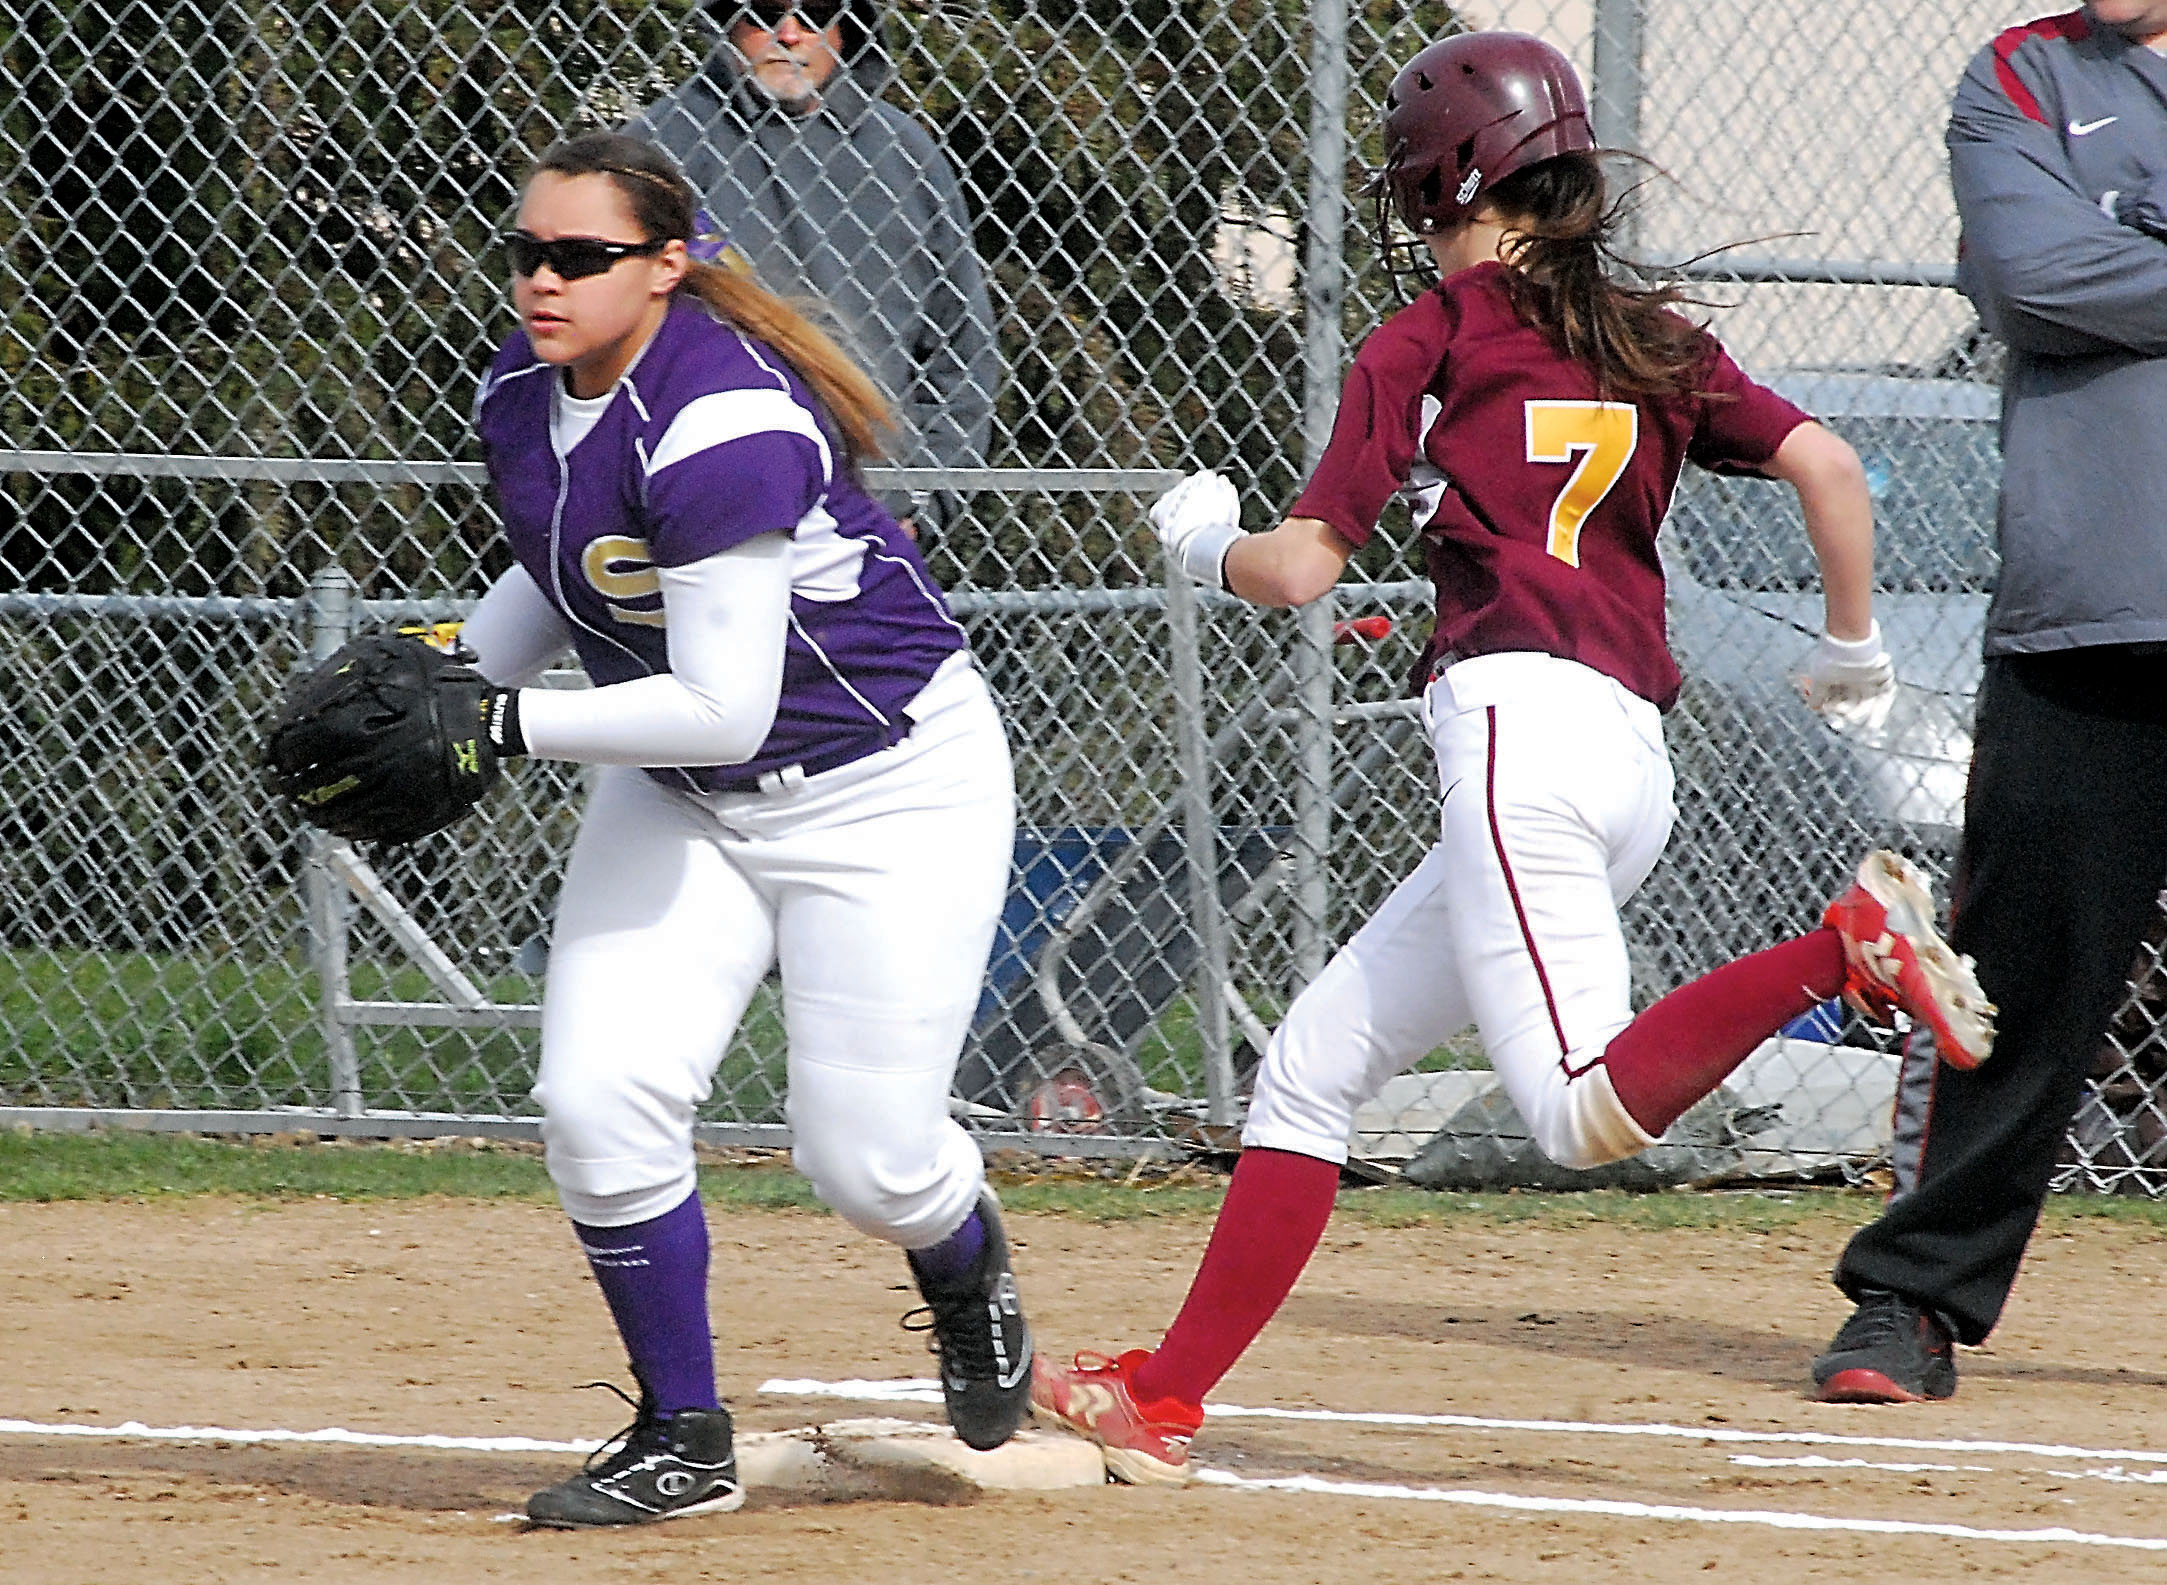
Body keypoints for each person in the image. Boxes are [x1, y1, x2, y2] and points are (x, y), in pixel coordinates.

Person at [1028, 29, 1996, 1485]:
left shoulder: (1429, 337)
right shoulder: (1644, 333)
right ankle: (1161, 1396)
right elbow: (1827, 464)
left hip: (1515, 736)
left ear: (1445, 181)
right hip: (1625, 758)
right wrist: (1850, 646)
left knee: (1576, 1111)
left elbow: (1296, 570)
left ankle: (1840, 947)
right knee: (1308, 1067)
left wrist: (1197, 543)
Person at [458, 130, 1031, 1527]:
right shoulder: (523, 391)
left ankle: (960, 1254)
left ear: (665, 265)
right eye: (527, 252)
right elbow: (565, 567)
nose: (542, 280)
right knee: (595, 1101)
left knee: (865, 1161)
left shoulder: (724, 414)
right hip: (682, 801)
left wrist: (501, 725)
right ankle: (681, 1433)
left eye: (580, 256)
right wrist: (447, 675)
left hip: (888, 789)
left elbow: (724, 704)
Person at [1807, 1, 2167, 1405]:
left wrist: (2125, 246)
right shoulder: (2022, 71)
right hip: (2091, 604)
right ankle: (1911, 1295)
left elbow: (2089, 275)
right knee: (2011, 976)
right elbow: (2028, 279)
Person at [629, 0, 997, 540]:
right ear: (728, 18)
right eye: (765, 11)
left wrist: (922, 508)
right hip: (702, 498)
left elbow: (962, 350)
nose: (790, 33)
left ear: (848, 29)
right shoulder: (657, 149)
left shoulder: (906, 155)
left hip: (866, 510)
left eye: (817, 12)